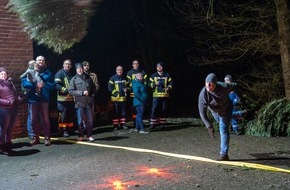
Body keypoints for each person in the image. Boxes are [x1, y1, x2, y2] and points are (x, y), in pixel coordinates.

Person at [198, 73, 237, 161]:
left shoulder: (224, 86)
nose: (208, 86)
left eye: (211, 84)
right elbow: (202, 112)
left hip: (226, 109)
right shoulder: (203, 94)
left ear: (215, 83)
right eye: (206, 83)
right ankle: (240, 114)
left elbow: (235, 86)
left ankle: (224, 154)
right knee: (222, 123)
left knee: (223, 128)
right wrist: (209, 126)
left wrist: (241, 98)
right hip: (215, 111)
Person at [21, 55, 55, 146]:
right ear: (36, 61)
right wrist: (35, 85)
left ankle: (47, 138)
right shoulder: (30, 70)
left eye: (43, 60)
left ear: (44, 62)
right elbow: (24, 83)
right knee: (33, 120)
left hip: (44, 99)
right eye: (39, 60)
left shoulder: (48, 73)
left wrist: (43, 85)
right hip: (33, 99)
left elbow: (53, 85)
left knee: (45, 119)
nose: (41, 62)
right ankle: (36, 138)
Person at [68, 63, 96, 142]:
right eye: (78, 69)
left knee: (89, 120)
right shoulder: (74, 79)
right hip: (79, 103)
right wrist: (81, 93)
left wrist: (92, 96)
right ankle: (81, 135)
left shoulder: (88, 78)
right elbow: (70, 91)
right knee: (80, 121)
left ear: (83, 69)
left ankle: (89, 135)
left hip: (88, 103)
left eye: (81, 68)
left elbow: (93, 88)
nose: (80, 70)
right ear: (76, 70)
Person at [0, 67, 20, 155]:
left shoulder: (10, 83)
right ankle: (1, 146)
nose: (4, 75)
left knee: (10, 128)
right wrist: (7, 102)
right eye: (1, 74)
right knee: (3, 128)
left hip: (14, 108)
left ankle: (8, 144)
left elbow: (14, 93)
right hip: (4, 109)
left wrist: (17, 98)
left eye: (5, 74)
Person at [148, 62, 173, 130]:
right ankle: (153, 124)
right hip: (156, 96)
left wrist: (169, 87)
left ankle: (162, 124)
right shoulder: (153, 75)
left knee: (163, 109)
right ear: (156, 68)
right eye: (158, 67)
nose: (159, 68)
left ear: (162, 67)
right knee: (154, 109)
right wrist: (154, 84)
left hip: (165, 95)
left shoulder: (167, 75)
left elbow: (171, 82)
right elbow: (149, 84)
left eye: (160, 66)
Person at [54, 59, 75, 137]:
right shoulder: (59, 74)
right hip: (62, 99)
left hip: (71, 99)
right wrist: (67, 91)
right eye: (66, 64)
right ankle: (63, 130)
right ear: (63, 65)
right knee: (63, 115)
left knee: (70, 115)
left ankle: (70, 129)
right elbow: (57, 85)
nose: (68, 65)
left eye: (69, 64)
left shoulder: (72, 74)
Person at [126, 59, 148, 128]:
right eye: (134, 64)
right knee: (134, 111)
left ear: (138, 64)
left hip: (140, 95)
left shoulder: (143, 72)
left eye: (137, 63)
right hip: (133, 95)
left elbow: (145, 82)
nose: (135, 65)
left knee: (140, 112)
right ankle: (135, 124)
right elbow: (128, 83)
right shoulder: (129, 73)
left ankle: (138, 125)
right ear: (132, 65)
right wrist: (134, 88)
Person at [108, 66, 128, 130]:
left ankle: (123, 125)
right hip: (115, 99)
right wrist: (116, 93)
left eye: (121, 70)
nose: (119, 71)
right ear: (116, 70)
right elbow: (110, 87)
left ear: (122, 70)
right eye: (118, 70)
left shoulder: (125, 78)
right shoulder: (112, 78)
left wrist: (127, 89)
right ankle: (115, 126)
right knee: (115, 113)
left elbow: (129, 86)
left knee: (123, 113)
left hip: (123, 99)